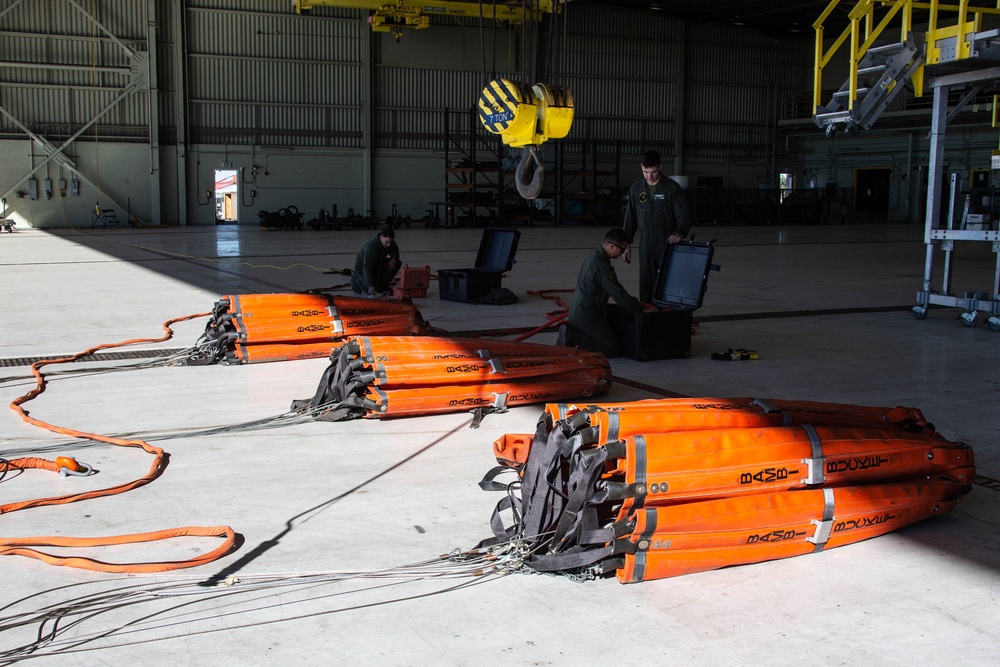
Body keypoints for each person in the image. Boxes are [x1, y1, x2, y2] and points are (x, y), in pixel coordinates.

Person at [563, 227, 655, 357]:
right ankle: (573, 337)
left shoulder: (593, 255)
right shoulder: (602, 267)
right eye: (622, 249)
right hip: (587, 314)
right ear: (612, 247)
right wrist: (641, 309)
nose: (622, 252)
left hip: (578, 311)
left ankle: (576, 335)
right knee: (611, 347)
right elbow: (619, 294)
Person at [623, 149, 693, 303]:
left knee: (668, 279)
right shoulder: (636, 189)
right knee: (646, 278)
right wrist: (626, 243)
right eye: (645, 172)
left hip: (667, 242)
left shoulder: (672, 188)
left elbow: (684, 214)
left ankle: (667, 313)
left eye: (653, 172)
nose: (649, 176)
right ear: (641, 167)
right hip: (646, 242)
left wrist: (680, 233)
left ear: (660, 167)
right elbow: (630, 218)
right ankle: (647, 313)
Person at [351, 227, 400, 295]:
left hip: (377, 265)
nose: (388, 245)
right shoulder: (371, 248)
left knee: (397, 263)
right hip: (363, 269)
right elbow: (367, 268)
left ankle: (383, 285)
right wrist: (371, 285)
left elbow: (395, 251)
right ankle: (355, 280)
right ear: (381, 237)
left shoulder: (390, 243)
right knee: (371, 290)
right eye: (387, 242)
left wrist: (394, 259)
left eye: (390, 242)